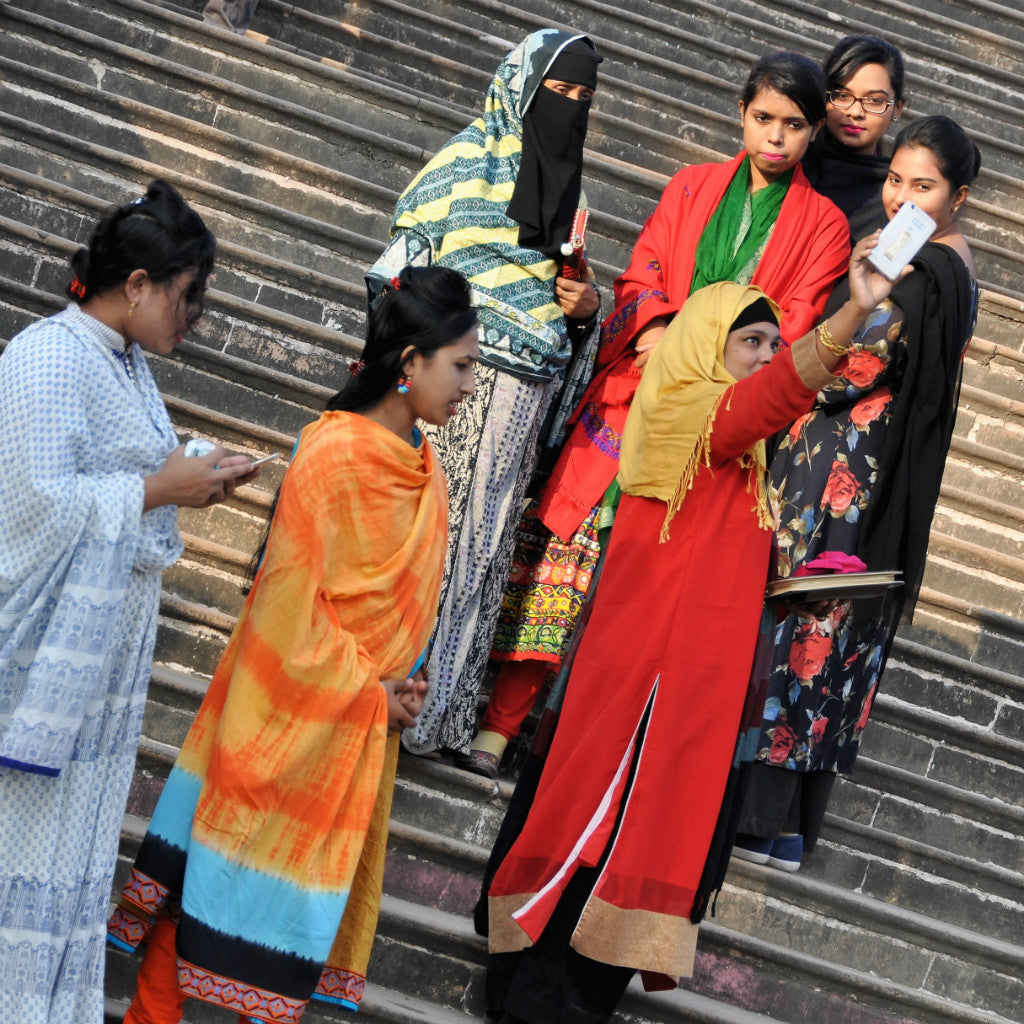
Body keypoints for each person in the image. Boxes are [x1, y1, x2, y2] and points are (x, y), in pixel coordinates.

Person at [484, 235, 899, 1024]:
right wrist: (854, 308)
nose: (765, 358)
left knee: (630, 843)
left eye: (773, 344)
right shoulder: (690, 411)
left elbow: (710, 559)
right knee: (600, 840)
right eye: (751, 342)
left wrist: (785, 594)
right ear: (707, 344)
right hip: (650, 688)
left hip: (684, 688)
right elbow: (775, 397)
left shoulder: (736, 453)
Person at [107, 265, 479, 1023]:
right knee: (204, 897)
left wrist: (403, 686)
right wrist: (365, 690)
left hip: (354, 733)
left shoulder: (427, 469)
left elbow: (407, 605)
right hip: (283, 716)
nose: (471, 386)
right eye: (462, 366)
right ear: (409, 363)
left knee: (274, 935)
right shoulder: (332, 454)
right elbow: (285, 609)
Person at [465, 50, 851, 779]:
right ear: (741, 114)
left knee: (642, 585)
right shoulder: (692, 184)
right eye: (762, 118)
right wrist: (653, 335)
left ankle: (573, 748)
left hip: (720, 425)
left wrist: (712, 377)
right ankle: (501, 722)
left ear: (812, 133)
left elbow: (794, 324)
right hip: (638, 392)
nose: (775, 136)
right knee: (569, 557)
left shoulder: (825, 225)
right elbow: (643, 271)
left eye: (793, 125)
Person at [0, 179, 257, 1023]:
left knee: (67, 858)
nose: (196, 315)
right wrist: (157, 488)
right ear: (138, 284)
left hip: (97, 676)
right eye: (189, 295)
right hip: (39, 672)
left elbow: (119, 482)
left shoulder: (125, 363)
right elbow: (30, 506)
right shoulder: (47, 354)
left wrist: (185, 482)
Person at [733, 115, 980, 872]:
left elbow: (852, 367)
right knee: (830, 638)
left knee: (803, 631)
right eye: (895, 178)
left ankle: (760, 819)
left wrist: (849, 298)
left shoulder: (929, 272)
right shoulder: (936, 267)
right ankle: (788, 827)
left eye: (924, 185)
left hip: (845, 478)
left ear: (958, 196)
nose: (902, 196)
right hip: (851, 474)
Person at [367, 29, 604, 761]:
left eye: (582, 99)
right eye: (555, 92)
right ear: (517, 88)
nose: (568, 109)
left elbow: (575, 294)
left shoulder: (571, 193)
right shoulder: (463, 159)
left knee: (480, 549)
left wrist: (584, 307)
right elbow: (400, 269)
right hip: (440, 385)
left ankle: (437, 716)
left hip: (523, 397)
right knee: (417, 538)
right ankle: (373, 696)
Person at [802, 35, 906, 240]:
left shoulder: (895, 195)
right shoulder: (793, 162)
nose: (856, 111)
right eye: (842, 95)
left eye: (875, 100)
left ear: (898, 108)